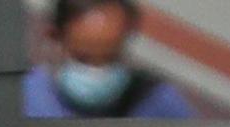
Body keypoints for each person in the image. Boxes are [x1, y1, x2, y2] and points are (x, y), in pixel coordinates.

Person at [26, 0, 208, 114]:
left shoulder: (157, 102)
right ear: (54, 36)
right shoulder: (21, 101)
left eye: (110, 57)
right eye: (83, 58)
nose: (96, 72)